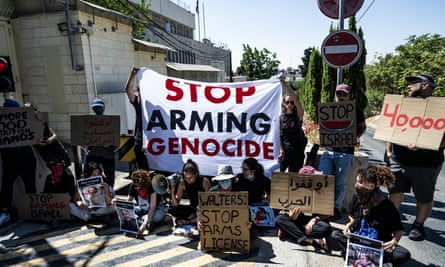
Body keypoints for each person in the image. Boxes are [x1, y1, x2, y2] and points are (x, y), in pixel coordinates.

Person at [386, 74, 444, 241]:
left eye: (413, 83)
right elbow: (391, 128)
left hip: (426, 165)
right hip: (398, 160)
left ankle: (418, 225)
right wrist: (389, 152)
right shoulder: (404, 105)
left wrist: (423, 143)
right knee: (395, 191)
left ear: (424, 85)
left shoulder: (440, 108)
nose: (408, 87)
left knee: (424, 197)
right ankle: (392, 223)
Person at [330, 164, 411, 265]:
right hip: (357, 239)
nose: (356, 185)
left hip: (377, 244)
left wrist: (394, 241)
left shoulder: (387, 206)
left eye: (360, 183)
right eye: (357, 182)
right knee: (335, 234)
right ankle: (360, 254)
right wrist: (348, 225)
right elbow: (351, 216)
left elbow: (399, 230)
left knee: (403, 254)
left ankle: (367, 256)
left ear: (372, 186)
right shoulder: (356, 197)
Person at [318, 84, 366, 220]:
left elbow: (363, 127)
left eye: (344, 94)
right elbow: (322, 127)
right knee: (323, 178)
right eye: (339, 93)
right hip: (328, 151)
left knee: (340, 182)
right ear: (335, 94)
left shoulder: (355, 110)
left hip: (346, 152)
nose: (341, 97)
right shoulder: (328, 110)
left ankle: (336, 207)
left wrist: (356, 137)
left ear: (349, 95)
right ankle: (322, 206)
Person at [0, 95, 37, 227]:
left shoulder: (26, 120)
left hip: (26, 158)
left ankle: (31, 210)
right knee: (7, 186)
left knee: (30, 184)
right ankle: (5, 211)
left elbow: (39, 129)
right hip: (10, 160)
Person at [275, 165, 331, 251]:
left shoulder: (321, 190)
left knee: (326, 228)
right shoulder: (294, 191)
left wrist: (314, 220)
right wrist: (292, 217)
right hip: (298, 221)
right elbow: (289, 215)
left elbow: (326, 214)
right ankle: (308, 240)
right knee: (279, 219)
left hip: (314, 223)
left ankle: (291, 232)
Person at [168, 159, 211, 227]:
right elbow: (175, 204)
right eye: (186, 178)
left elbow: (210, 200)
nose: (188, 180)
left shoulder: (204, 181)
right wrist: (172, 192)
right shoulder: (183, 183)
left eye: (190, 178)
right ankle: (193, 219)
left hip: (203, 208)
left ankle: (189, 221)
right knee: (172, 210)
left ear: (196, 174)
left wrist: (199, 210)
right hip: (193, 208)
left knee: (208, 214)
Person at [84, 97, 116, 187]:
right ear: (92, 109)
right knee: (88, 172)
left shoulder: (111, 122)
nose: (97, 109)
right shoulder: (88, 123)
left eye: (99, 107)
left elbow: (115, 143)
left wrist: (108, 143)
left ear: (103, 108)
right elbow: (84, 141)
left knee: (109, 176)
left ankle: (109, 192)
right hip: (93, 153)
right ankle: (88, 191)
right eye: (95, 107)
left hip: (107, 154)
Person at [279, 78, 307, 172]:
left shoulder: (297, 115)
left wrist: (285, 85)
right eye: (287, 102)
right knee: (279, 176)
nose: (290, 104)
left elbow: (295, 97)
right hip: (285, 152)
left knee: (294, 178)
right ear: (284, 104)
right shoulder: (281, 118)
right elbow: (278, 136)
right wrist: (281, 150)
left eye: (291, 102)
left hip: (297, 152)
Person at [127, 169, 165, 237]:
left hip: (156, 208)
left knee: (157, 217)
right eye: (134, 184)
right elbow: (128, 203)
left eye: (138, 185)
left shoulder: (151, 187)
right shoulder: (132, 186)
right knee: (129, 212)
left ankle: (143, 220)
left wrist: (144, 224)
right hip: (142, 208)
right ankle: (147, 221)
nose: (136, 188)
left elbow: (152, 208)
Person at [125, 66, 149, 171]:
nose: (140, 93)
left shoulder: (156, 105)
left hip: (156, 145)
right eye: (139, 90)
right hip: (140, 143)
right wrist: (132, 75)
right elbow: (128, 89)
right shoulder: (138, 104)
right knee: (143, 173)